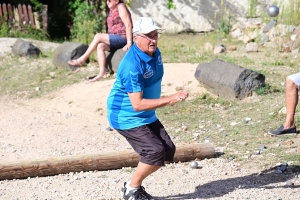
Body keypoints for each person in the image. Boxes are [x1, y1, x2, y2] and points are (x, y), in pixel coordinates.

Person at [107, 17, 189, 200]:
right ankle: (131, 189)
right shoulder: (131, 65)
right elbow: (136, 104)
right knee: (154, 151)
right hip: (126, 116)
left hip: (146, 114)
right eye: (148, 36)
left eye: (155, 35)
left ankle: (133, 187)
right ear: (136, 38)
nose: (153, 40)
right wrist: (170, 99)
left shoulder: (154, 52)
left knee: (167, 151)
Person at [68, 0, 132, 82]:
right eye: (106, 0)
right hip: (115, 39)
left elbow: (128, 24)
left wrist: (129, 42)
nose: (107, 2)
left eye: (109, 0)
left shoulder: (121, 7)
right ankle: (102, 72)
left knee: (98, 36)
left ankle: (82, 59)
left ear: (116, 1)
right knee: (100, 46)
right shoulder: (112, 9)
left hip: (122, 37)